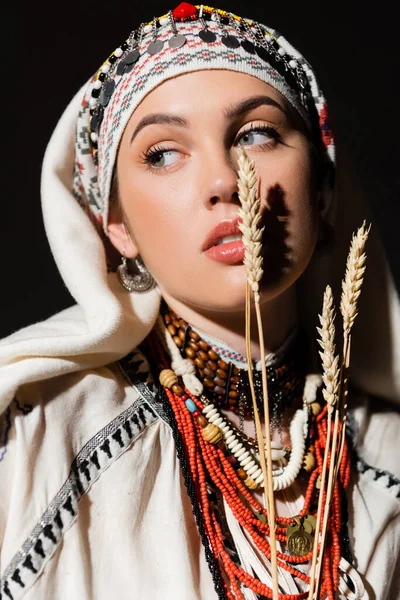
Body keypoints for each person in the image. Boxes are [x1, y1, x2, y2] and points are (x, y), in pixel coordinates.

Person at [1, 4, 400, 599]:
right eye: (163, 153)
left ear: (322, 189)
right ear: (117, 228)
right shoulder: (36, 435)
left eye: (256, 135)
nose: (222, 181)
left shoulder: (384, 455)